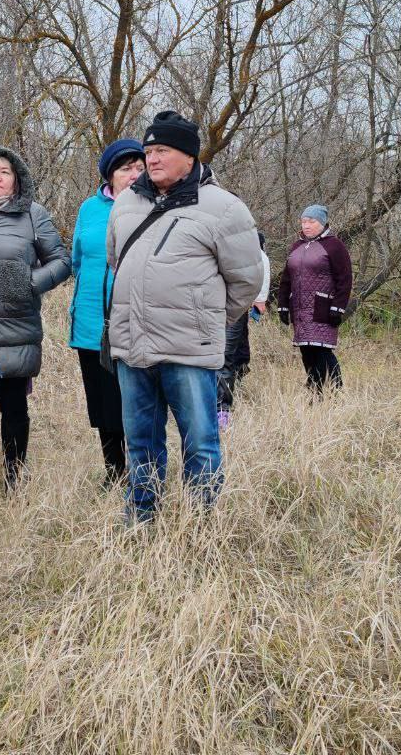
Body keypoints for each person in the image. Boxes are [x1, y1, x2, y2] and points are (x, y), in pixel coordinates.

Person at [106, 111, 263, 522]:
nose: (152, 158)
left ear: (189, 157)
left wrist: (203, 321)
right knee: (140, 441)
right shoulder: (125, 204)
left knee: (200, 443)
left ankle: (201, 524)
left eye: (163, 151)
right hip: (133, 348)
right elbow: (115, 262)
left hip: (189, 352)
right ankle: (142, 516)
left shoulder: (224, 208)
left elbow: (247, 281)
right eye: (148, 150)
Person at [0, 146, 70, 507]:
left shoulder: (33, 215)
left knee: (14, 407)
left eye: (5, 171)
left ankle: (14, 476)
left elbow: (61, 261)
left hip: (17, 326)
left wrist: (29, 283)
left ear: (16, 179)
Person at [69, 139, 145, 487]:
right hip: (90, 320)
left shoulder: (151, 205)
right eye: (126, 168)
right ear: (110, 174)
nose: (134, 174)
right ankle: (114, 471)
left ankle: (143, 470)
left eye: (139, 167)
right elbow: (77, 260)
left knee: (135, 399)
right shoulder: (89, 208)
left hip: (137, 320)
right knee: (102, 402)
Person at [277, 205, 353, 395]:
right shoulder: (297, 246)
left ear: (323, 223)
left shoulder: (334, 246)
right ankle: (315, 390)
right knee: (306, 350)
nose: (307, 225)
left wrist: (338, 307)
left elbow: (344, 279)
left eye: (312, 221)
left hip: (323, 308)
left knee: (322, 350)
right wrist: (283, 305)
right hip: (300, 308)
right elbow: (286, 278)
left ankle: (335, 390)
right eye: (304, 221)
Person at [216, 231, 270, 431]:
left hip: (233, 311)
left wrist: (257, 302)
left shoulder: (250, 249)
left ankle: (222, 411)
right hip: (209, 311)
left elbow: (261, 268)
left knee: (227, 358)